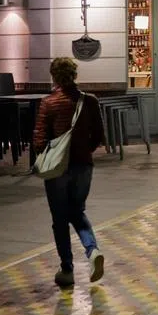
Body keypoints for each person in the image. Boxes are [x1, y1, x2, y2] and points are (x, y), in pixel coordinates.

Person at [34, 57, 106, 288]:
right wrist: (83, 150)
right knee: (77, 211)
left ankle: (67, 269)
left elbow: (39, 140)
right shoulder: (90, 101)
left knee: (60, 218)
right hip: (83, 165)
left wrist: (51, 154)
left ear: (54, 76)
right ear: (75, 75)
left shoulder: (49, 103)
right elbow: (99, 136)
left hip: (58, 169)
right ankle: (92, 250)